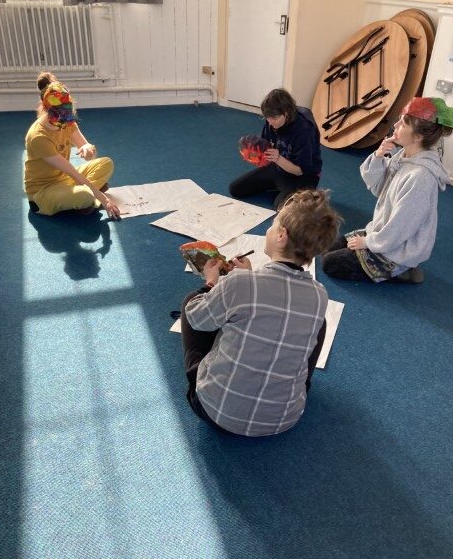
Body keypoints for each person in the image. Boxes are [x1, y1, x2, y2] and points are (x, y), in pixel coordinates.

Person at [180, 189, 342, 437]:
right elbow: (274, 294)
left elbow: (197, 318)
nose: (268, 230)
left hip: (215, 412)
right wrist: (247, 275)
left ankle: (202, 374)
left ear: (281, 236)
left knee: (192, 303)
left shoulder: (239, 284)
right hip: (284, 419)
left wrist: (212, 283)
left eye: (272, 225)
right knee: (317, 324)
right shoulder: (319, 294)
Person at [322, 97, 453, 284]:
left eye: (403, 123)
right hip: (384, 233)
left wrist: (367, 243)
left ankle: (401, 270)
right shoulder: (404, 155)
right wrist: (378, 156)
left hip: (396, 247)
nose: (396, 124)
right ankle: (396, 265)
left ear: (418, 136)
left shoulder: (421, 177)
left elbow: (401, 226)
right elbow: (378, 189)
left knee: (330, 264)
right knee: (329, 248)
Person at [24, 72, 120, 219]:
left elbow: (88, 153)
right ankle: (85, 198)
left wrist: (88, 149)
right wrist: (104, 199)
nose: (65, 120)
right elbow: (73, 173)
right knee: (86, 195)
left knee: (106, 163)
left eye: (67, 114)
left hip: (64, 179)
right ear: (46, 109)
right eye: (61, 115)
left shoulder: (66, 121)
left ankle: (81, 199)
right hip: (43, 191)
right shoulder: (38, 137)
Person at [229, 88, 322, 209]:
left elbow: (299, 170)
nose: (271, 123)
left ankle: (307, 193)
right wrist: (254, 155)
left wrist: (277, 158)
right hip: (278, 169)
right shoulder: (271, 120)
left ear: (287, 112)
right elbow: (265, 147)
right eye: (268, 118)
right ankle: (280, 188)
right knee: (235, 189)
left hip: (303, 176)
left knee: (280, 207)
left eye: (275, 118)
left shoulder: (304, 130)